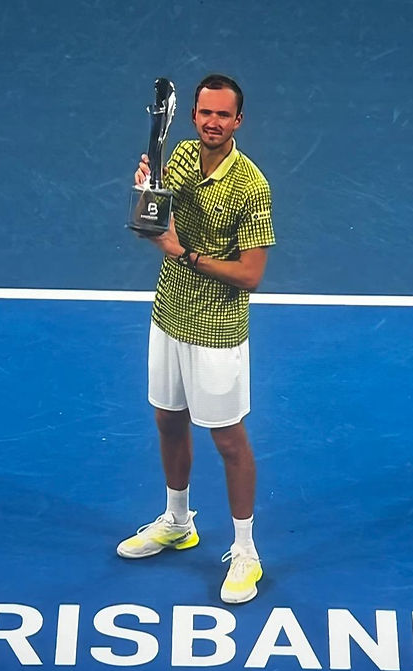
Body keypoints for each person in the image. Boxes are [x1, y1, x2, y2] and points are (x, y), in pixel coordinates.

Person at [117, 74, 275, 604]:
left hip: (217, 330)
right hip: (169, 315)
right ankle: (179, 520)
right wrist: (148, 185)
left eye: (223, 115)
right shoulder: (183, 157)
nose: (212, 122)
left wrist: (182, 251)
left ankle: (247, 552)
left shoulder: (251, 187)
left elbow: (251, 274)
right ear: (194, 117)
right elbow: (153, 216)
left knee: (228, 440)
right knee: (168, 419)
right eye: (205, 113)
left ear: (238, 121)